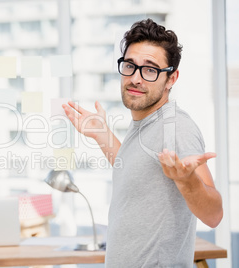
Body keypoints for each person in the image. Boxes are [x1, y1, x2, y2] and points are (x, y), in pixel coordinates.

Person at [62, 18, 223, 267]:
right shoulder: (145, 124)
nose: (136, 78)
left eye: (150, 69)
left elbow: (214, 215)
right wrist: (102, 135)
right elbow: (137, 171)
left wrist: (187, 181)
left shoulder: (176, 127)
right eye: (130, 66)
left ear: (171, 78)